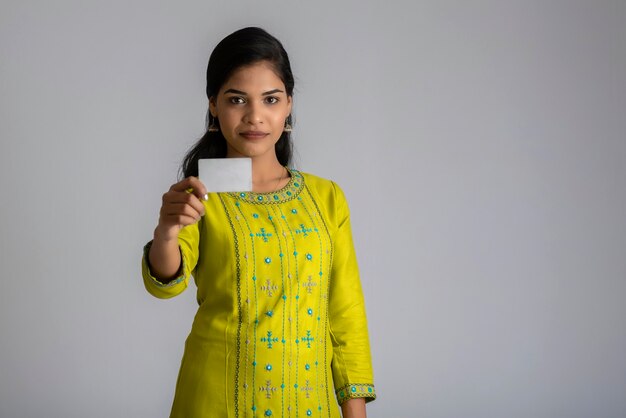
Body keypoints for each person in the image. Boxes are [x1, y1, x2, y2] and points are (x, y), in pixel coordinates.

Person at [141, 27, 375, 418]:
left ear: (288, 105)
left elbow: (345, 311)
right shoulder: (201, 191)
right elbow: (167, 282)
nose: (255, 116)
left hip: (310, 404)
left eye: (270, 99)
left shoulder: (327, 197)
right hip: (217, 400)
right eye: (237, 100)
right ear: (214, 105)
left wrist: (354, 407)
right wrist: (166, 232)